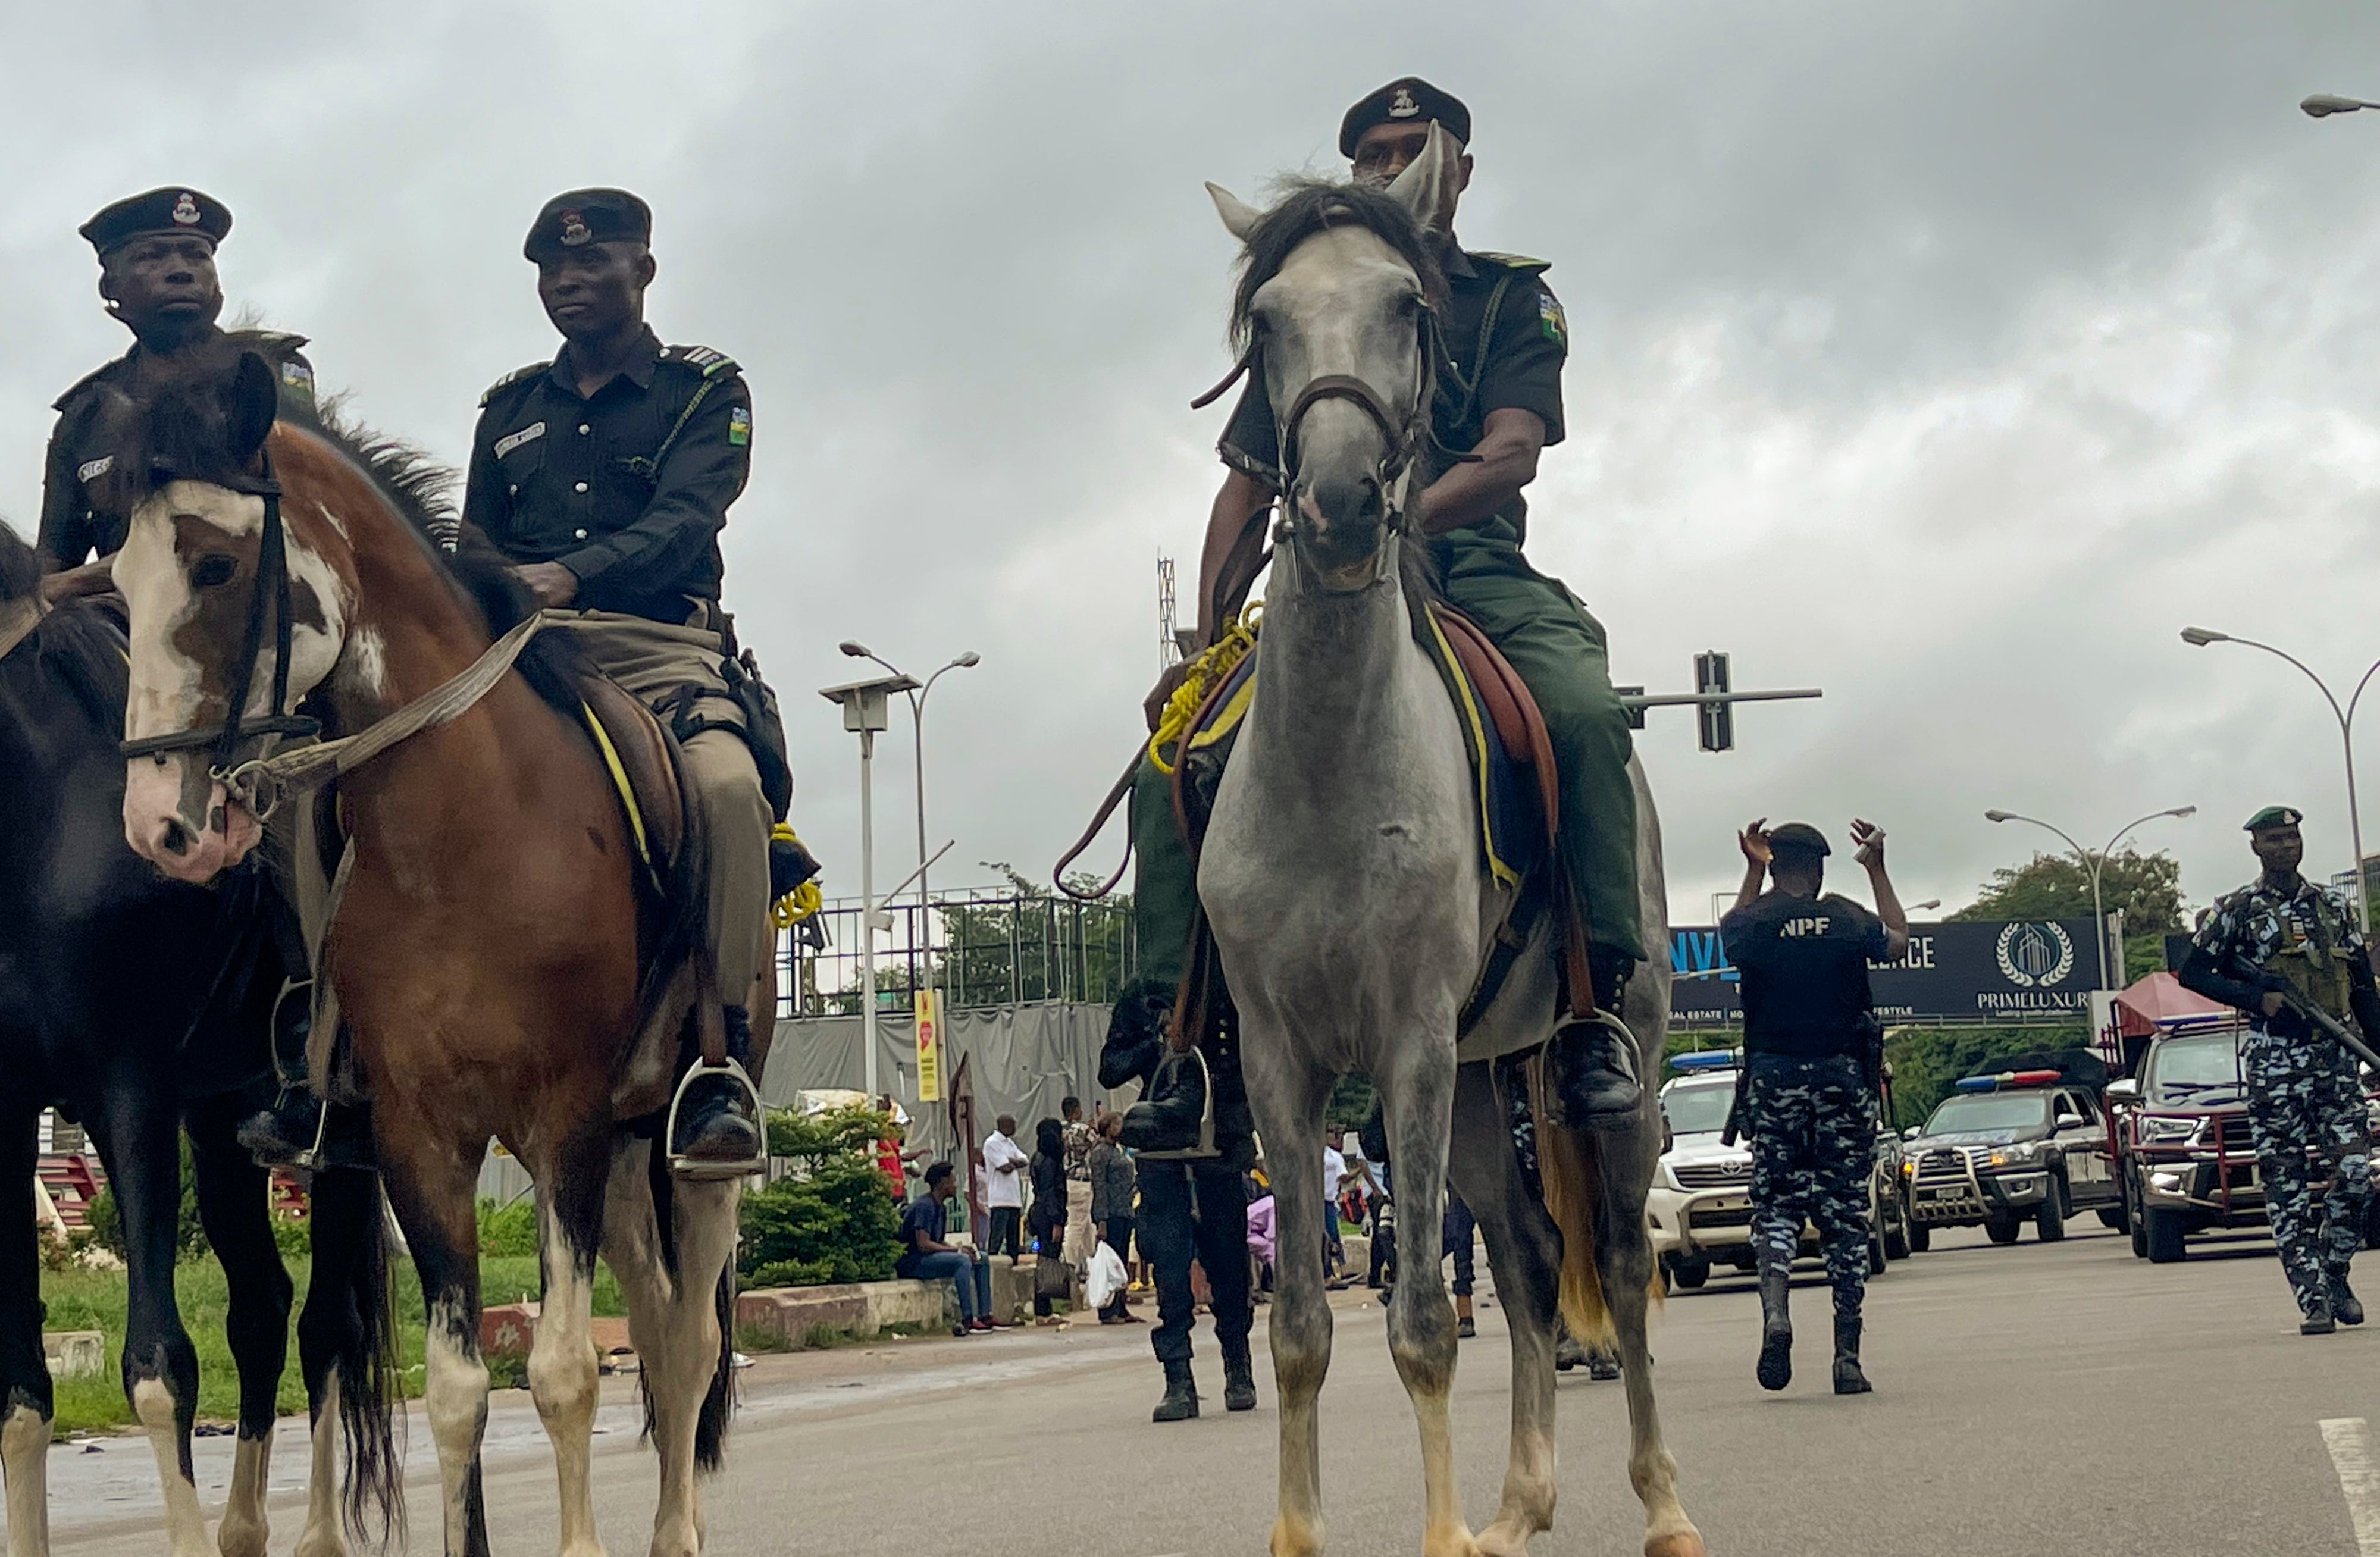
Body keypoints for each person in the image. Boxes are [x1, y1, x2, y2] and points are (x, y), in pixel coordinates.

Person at [1115, 76, 1642, 1134]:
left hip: (1475, 569)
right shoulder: (1315, 303)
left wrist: (1407, 520)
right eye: (1373, 153)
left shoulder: (1506, 299)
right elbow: (1249, 479)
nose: (1394, 167)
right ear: (1352, 170)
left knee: (1583, 715)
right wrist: (1211, 634)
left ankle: (1596, 1003)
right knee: (1170, 757)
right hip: (1324, 578)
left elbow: (1511, 453)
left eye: (1416, 147)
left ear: (1458, 171)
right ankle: (1176, 1039)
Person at [459, 188, 771, 1168]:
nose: (569, 284)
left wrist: (569, 573)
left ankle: (716, 1059)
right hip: (520, 651)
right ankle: (336, 1052)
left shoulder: (703, 389)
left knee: (725, 790)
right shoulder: (507, 410)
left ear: (643, 269)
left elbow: (690, 517)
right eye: (552, 271)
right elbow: (474, 536)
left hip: (659, 648)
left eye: (592, 266)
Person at [39, 187, 317, 589]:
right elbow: (53, 560)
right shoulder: (84, 417)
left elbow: (297, 511)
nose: (181, 270)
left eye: (196, 255)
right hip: (120, 627)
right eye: (150, 257)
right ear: (110, 286)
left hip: (261, 611)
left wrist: (76, 584)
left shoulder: (270, 368)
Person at [1720, 819, 1908, 1396]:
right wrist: (1876, 869)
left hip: (1773, 1079)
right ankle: (1846, 1357)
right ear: (1821, 868)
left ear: (1775, 866)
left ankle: (1777, 1314)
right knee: (1846, 1215)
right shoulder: (1847, 918)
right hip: (1841, 1080)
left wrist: (1751, 870)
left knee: (1775, 1207)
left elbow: (1732, 940)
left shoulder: (1753, 923)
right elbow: (1898, 940)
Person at [2179, 807, 2380, 1334]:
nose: (2286, 846)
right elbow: (2195, 971)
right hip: (2276, 1063)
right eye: (2274, 838)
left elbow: (2363, 988)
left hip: (2335, 1060)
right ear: (2256, 848)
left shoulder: (2335, 908)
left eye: (2292, 836)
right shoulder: (2238, 910)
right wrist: (2255, 998)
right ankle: (2312, 1299)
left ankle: (2334, 1270)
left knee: (2358, 1175)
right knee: (2285, 1186)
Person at [1100, 1025, 1257, 1422]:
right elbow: (1110, 1068)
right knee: (1170, 1274)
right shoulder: (1145, 995)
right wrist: (1157, 1044)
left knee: (1230, 1269)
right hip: (1162, 1155)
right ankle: (1177, 1378)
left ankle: (1237, 1365)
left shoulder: (1227, 986)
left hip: (1217, 1150)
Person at [896, 1162, 995, 1336]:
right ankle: (967, 1318)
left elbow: (938, 1242)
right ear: (941, 1183)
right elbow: (924, 1244)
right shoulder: (924, 1206)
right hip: (914, 1261)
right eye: (952, 1180)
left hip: (929, 1257)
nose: (955, 1185)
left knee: (982, 1258)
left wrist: (959, 1248)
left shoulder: (941, 1208)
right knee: (961, 1262)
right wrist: (956, 1252)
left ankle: (985, 1314)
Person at [1088, 1112, 1141, 1323]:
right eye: (1117, 1124)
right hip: (1110, 1213)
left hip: (1125, 1210)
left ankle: (1121, 1306)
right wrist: (1101, 1220)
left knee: (1121, 1261)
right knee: (1111, 1262)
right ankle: (1107, 1309)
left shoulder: (1119, 1149)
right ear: (1107, 1127)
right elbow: (1099, 1186)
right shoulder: (1100, 1152)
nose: (1120, 1128)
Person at [1028, 1117, 1069, 1322]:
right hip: (1048, 1215)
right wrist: (1057, 1221)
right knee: (1047, 1258)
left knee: (1042, 1257)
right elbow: (1051, 1192)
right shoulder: (1050, 1162)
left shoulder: (1037, 1157)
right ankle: (1043, 1308)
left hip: (1038, 1212)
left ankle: (1043, 1307)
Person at [982, 1115, 1029, 1258]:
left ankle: (1013, 1269)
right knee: (997, 1239)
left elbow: (1025, 1160)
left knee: (1013, 1242)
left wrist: (1010, 1160)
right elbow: (1005, 1168)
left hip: (1014, 1199)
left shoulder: (1010, 1143)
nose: (1015, 1129)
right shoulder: (992, 1143)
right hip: (1000, 1200)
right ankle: (993, 1271)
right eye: (1013, 1125)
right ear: (1005, 1125)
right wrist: (1014, 1162)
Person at [1443, 1190, 1479, 1339]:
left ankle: (1466, 1318)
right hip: (1458, 1195)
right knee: (1460, 1242)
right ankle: (1465, 1317)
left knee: (1460, 1242)